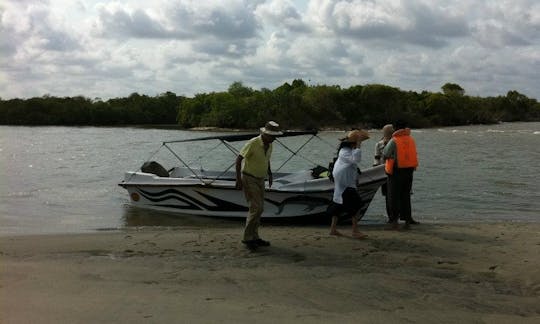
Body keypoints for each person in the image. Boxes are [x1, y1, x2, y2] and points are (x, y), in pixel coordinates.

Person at [235, 121, 283, 250]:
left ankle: (254, 236)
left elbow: (266, 160)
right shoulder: (253, 143)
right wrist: (238, 179)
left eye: (275, 136)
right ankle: (247, 238)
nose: (274, 138)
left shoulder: (270, 144)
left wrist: (270, 174)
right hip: (249, 177)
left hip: (261, 179)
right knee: (256, 208)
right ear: (265, 134)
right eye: (272, 136)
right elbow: (239, 159)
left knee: (259, 209)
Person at [327, 129, 370, 238]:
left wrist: (355, 178)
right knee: (357, 205)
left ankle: (333, 229)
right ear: (354, 143)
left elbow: (353, 166)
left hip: (344, 182)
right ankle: (355, 231)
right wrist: (359, 144)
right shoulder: (345, 151)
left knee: (338, 205)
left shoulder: (348, 150)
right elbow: (356, 160)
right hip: (345, 183)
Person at [383, 120, 419, 229]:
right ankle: (407, 222)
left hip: (396, 172)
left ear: (395, 128)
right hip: (409, 171)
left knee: (393, 197)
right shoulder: (411, 139)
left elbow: (386, 153)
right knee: (405, 196)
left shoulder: (394, 140)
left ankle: (395, 222)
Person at [373, 124, 394, 222]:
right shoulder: (379, 144)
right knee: (388, 195)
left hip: (394, 171)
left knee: (392, 195)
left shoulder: (395, 142)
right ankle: (391, 217)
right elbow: (376, 159)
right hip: (384, 172)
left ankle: (394, 216)